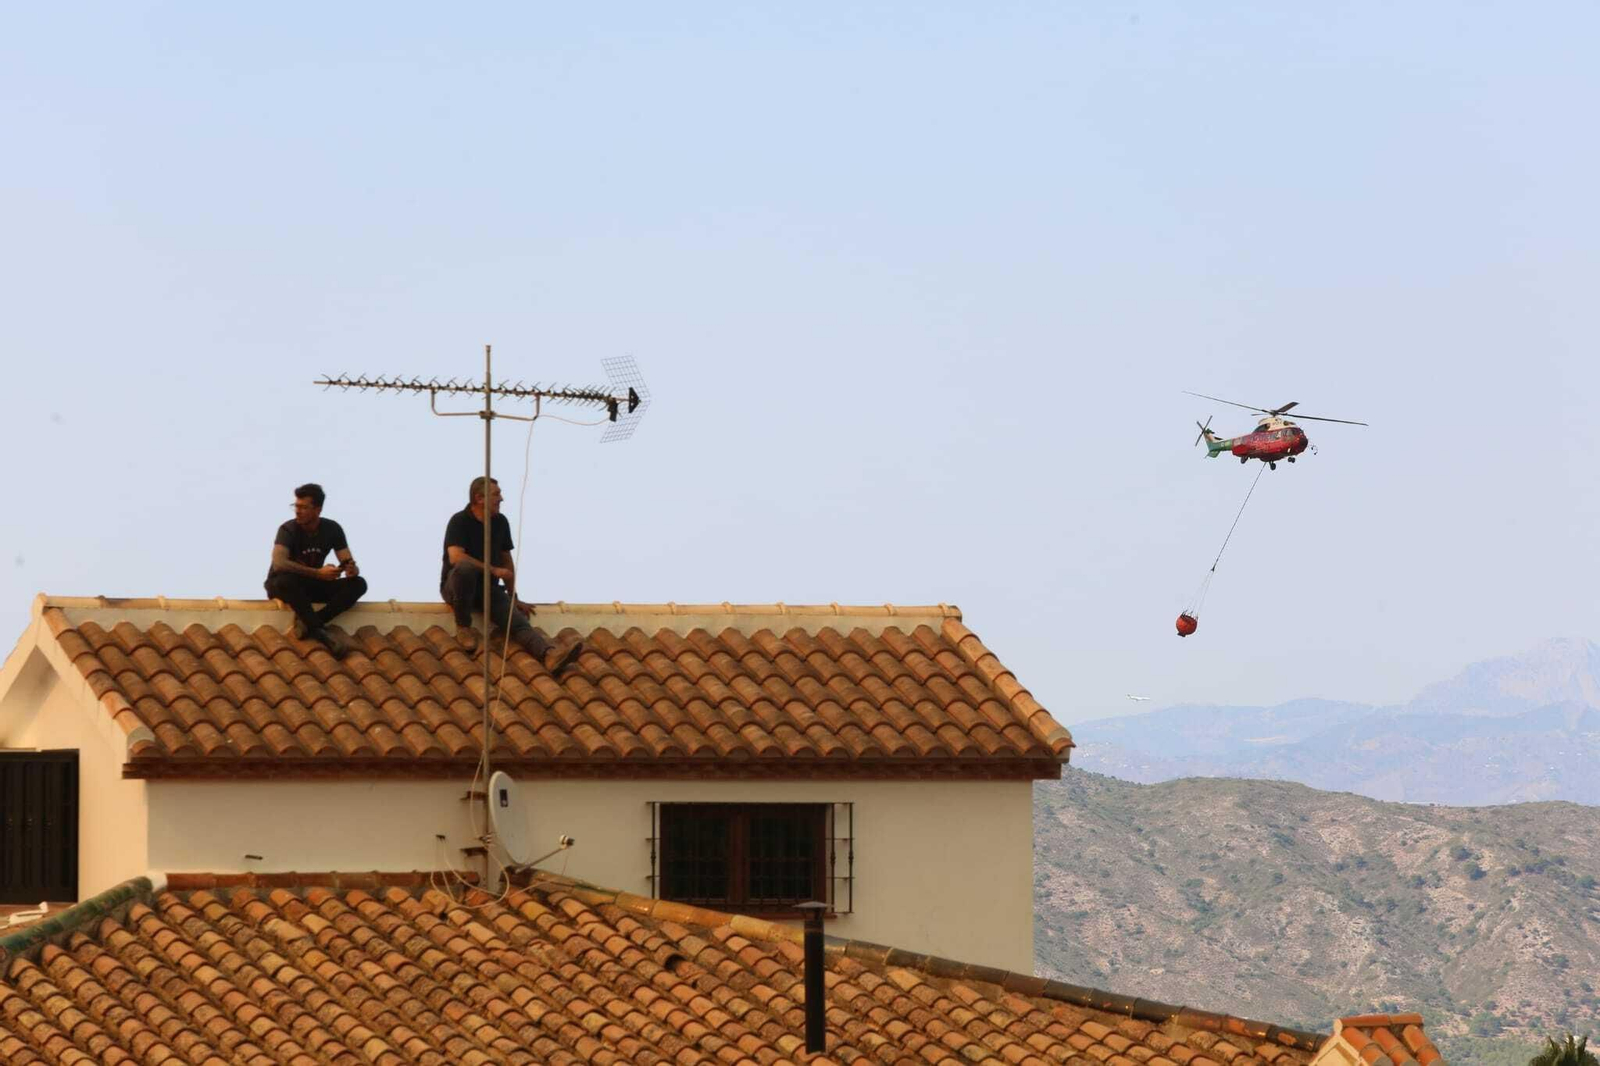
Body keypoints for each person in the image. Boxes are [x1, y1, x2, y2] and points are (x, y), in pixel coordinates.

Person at [441, 476, 583, 675]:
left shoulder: (500, 522)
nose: (501, 499)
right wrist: (493, 570)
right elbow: (456, 557)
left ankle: (548, 656)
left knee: (516, 621)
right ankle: (463, 626)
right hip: (458, 588)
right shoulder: (460, 520)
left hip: (487, 591)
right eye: (496, 494)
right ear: (479, 498)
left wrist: (513, 596)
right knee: (465, 570)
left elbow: (506, 559)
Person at [264, 483, 367, 658]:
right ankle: (320, 632)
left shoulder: (332, 528)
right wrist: (318, 573)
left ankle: (311, 622)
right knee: (285, 581)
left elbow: (346, 559)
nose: (298, 511)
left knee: (359, 584)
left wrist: (350, 569)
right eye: (296, 506)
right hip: (284, 584)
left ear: (318, 510)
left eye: (304, 507)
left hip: (311, 584)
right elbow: (279, 563)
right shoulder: (288, 529)